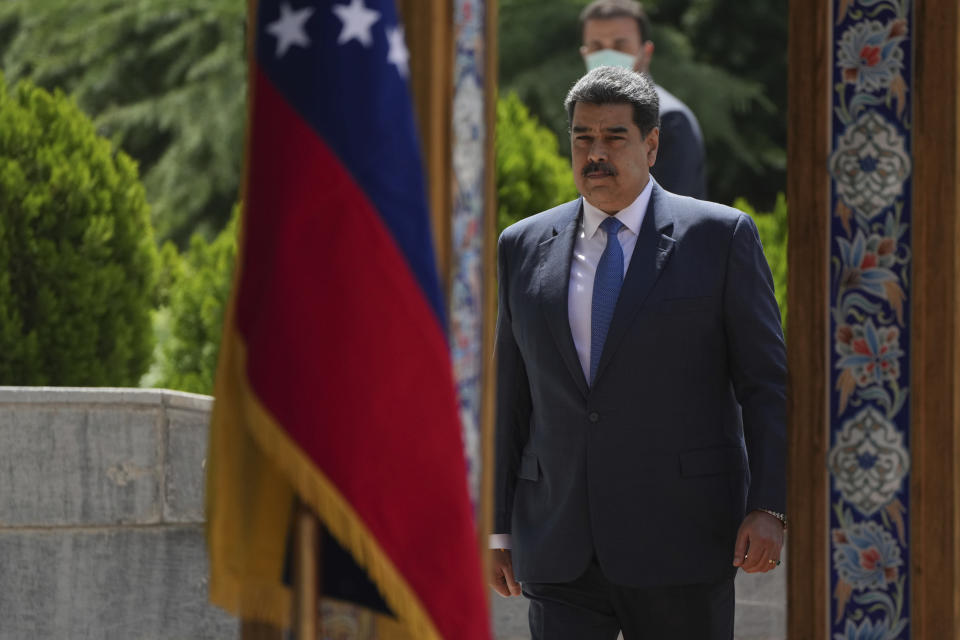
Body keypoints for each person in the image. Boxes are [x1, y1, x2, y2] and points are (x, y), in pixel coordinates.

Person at [488, 66, 786, 640]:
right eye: (582, 137)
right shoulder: (521, 246)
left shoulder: (720, 238)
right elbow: (511, 395)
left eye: (613, 137)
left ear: (651, 145)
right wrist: (498, 530)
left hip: (682, 539)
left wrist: (769, 505)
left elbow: (765, 383)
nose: (595, 153)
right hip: (559, 543)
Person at [580, 0, 707, 199]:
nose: (607, 56)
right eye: (597, 47)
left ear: (646, 53)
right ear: (585, 54)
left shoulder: (670, 120)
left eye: (619, 46)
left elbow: (671, 218)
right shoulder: (587, 120)